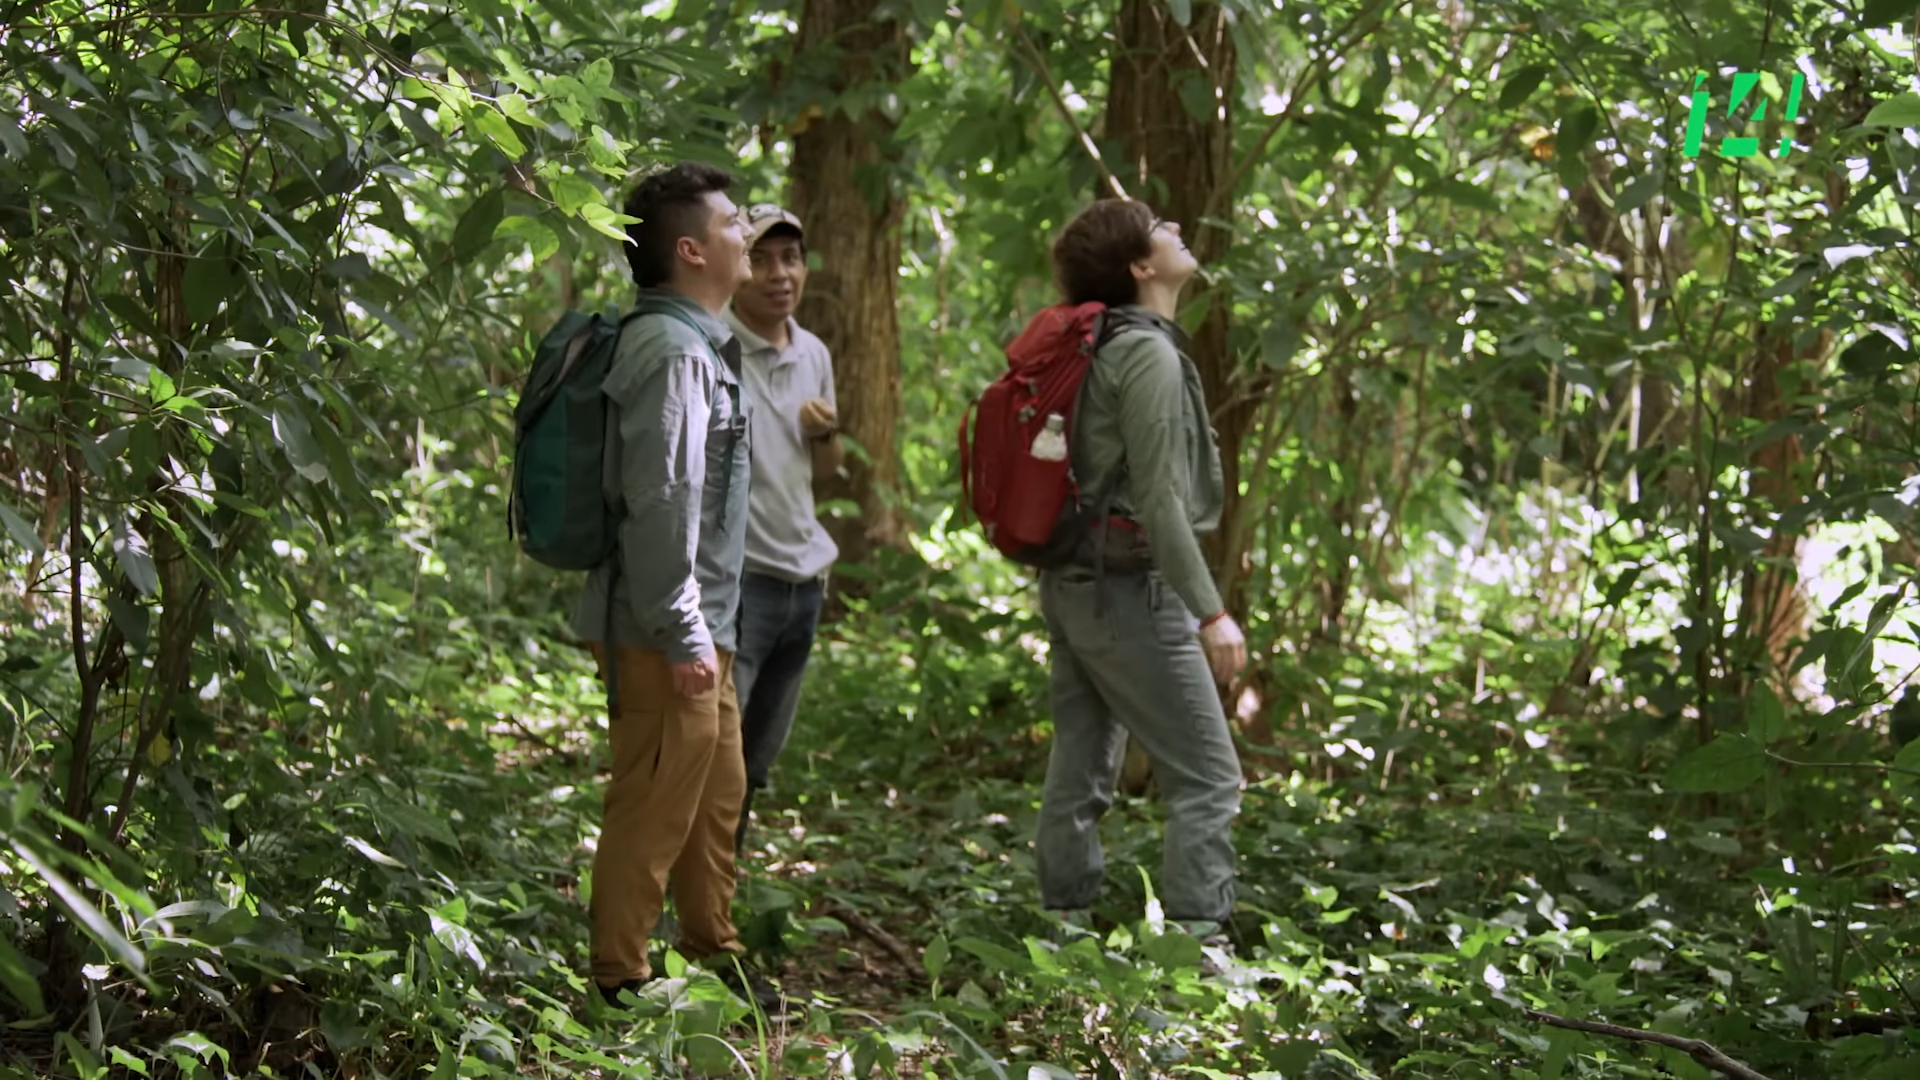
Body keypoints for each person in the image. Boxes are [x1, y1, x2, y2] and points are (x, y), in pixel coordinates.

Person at [569, 161, 781, 1014]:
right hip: (665, 628)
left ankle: (710, 950)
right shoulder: (669, 352)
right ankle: (619, 982)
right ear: (691, 250)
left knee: (712, 799)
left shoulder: (695, 343)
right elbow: (663, 501)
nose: (750, 236)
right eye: (735, 224)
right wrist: (684, 629)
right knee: (654, 805)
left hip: (700, 623)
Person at [1032, 198, 1249, 953]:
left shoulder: (1106, 345)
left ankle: (1059, 932)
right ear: (1140, 266)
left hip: (1073, 582)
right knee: (1209, 776)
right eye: (1164, 228)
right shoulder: (1147, 355)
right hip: (1126, 590)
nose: (1179, 228)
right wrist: (1210, 612)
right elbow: (1161, 501)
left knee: (1084, 762)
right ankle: (1200, 947)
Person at [722, 204, 844, 853]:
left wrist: (824, 433)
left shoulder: (813, 352)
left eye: (790, 259)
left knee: (757, 761)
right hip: (741, 580)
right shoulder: (712, 343)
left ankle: (720, 899)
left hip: (804, 581)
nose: (779, 275)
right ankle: (690, 914)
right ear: (737, 269)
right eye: (762, 259)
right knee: (717, 756)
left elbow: (826, 469)